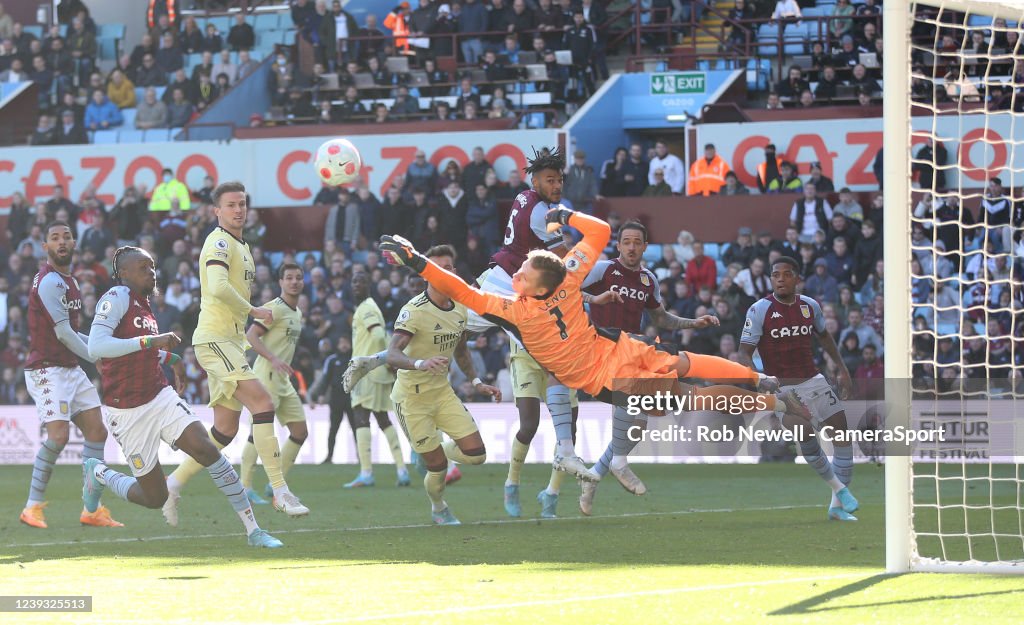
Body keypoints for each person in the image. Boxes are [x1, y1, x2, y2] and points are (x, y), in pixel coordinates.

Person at [379, 208, 813, 479]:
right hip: (620, 348)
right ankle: (763, 381)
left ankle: (770, 398)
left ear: (534, 282)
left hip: (609, 378)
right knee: (685, 364)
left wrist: (417, 261)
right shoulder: (567, 276)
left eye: (523, 272)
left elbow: (461, 290)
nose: (517, 274)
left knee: (691, 392)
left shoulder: (515, 309)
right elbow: (601, 231)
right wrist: (566, 216)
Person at [345, 148, 587, 518]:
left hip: (500, 276)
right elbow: (564, 258)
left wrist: (473, 378)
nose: (556, 185)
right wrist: (593, 260)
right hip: (511, 287)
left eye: (559, 180)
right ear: (534, 181)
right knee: (552, 351)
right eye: (549, 180)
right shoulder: (542, 212)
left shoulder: (525, 197)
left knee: (458, 328)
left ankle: (370, 360)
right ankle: (567, 449)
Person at [85, 246, 282, 547]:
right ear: (123, 273)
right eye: (142, 267)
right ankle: (98, 472)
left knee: (206, 448)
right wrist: (152, 340)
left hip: (159, 395)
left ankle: (254, 530)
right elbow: (97, 348)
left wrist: (169, 359)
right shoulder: (116, 297)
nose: (151, 272)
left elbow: (135, 351)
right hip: (126, 411)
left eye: (152, 266)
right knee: (154, 497)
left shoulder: (145, 303)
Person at [162, 182, 309, 526]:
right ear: (217, 211)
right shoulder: (220, 241)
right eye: (231, 205)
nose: (238, 210)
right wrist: (255, 310)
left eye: (242, 203)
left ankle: (173, 484)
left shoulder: (242, 245)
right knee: (263, 404)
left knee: (224, 432)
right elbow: (216, 287)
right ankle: (280, 490)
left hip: (227, 342)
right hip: (215, 339)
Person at [578, 221, 719, 514]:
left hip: (633, 352)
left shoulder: (648, 280)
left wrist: (695, 322)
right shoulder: (604, 270)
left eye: (636, 242)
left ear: (644, 247)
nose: (631, 247)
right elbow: (566, 291)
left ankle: (594, 475)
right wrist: (594, 299)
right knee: (635, 415)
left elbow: (662, 318)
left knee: (638, 422)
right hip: (602, 350)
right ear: (618, 245)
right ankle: (616, 464)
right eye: (626, 241)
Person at [386, 244, 501, 524]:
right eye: (438, 268)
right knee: (436, 468)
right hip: (411, 399)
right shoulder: (414, 311)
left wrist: (476, 381)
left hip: (442, 393)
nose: (445, 272)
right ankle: (439, 508)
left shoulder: (460, 307)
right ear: (427, 274)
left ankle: (434, 452)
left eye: (448, 267)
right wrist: (419, 364)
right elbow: (392, 354)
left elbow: (461, 350)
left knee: (477, 455)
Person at [19, 221, 124, 529]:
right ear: (45, 246)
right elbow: (64, 333)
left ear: (74, 243)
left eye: (66, 237)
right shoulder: (50, 282)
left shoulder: (70, 281)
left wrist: (105, 348)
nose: (61, 241)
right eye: (55, 238)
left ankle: (91, 510)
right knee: (59, 437)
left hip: (69, 367)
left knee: (96, 432)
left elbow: (74, 331)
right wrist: (99, 355)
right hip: (46, 369)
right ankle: (31, 506)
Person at [738, 256, 859, 521]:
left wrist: (842, 369)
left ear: (797, 278)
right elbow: (743, 353)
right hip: (783, 389)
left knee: (843, 438)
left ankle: (837, 507)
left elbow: (825, 338)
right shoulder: (759, 310)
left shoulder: (809, 306)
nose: (780, 279)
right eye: (775, 275)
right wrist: (758, 379)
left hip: (814, 381)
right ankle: (839, 489)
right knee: (805, 434)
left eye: (786, 274)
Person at [239, 264, 310, 506]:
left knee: (300, 432)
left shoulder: (296, 313)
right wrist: (273, 358)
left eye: (298, 278)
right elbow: (250, 336)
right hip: (266, 377)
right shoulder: (273, 309)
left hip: (283, 381)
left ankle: (275, 484)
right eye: (289, 278)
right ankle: (245, 486)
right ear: (280, 282)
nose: (294, 282)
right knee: (259, 433)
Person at [342, 270, 410, 488]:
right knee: (383, 420)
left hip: (366, 372)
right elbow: (386, 336)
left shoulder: (366, 308)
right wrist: (390, 359)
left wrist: (377, 359)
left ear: (368, 285)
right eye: (354, 281)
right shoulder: (369, 307)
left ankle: (366, 473)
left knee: (361, 417)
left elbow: (379, 336)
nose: (356, 285)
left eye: (361, 281)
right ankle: (401, 470)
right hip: (379, 372)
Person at [308, 336, 354, 463]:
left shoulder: (355, 359)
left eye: (346, 342)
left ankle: (362, 457)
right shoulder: (332, 360)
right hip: (336, 399)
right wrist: (321, 394)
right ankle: (329, 456)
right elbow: (325, 379)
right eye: (342, 343)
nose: (344, 345)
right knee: (333, 428)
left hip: (352, 399)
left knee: (357, 428)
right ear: (338, 345)